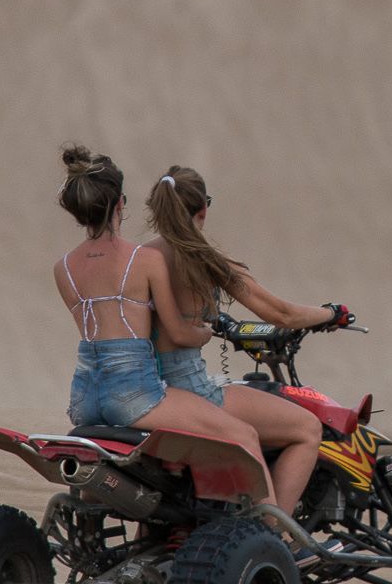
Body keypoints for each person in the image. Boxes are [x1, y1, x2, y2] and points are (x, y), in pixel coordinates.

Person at [53, 146, 281, 505]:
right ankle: (278, 542)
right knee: (243, 436)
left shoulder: (63, 268)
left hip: (83, 398)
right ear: (120, 204)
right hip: (134, 395)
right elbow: (176, 332)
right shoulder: (145, 260)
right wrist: (206, 331)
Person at [143, 166, 352, 524]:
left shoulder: (139, 259)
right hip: (190, 391)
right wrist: (330, 313)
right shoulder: (206, 262)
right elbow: (280, 313)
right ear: (202, 210)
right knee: (306, 429)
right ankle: (275, 536)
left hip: (146, 389)